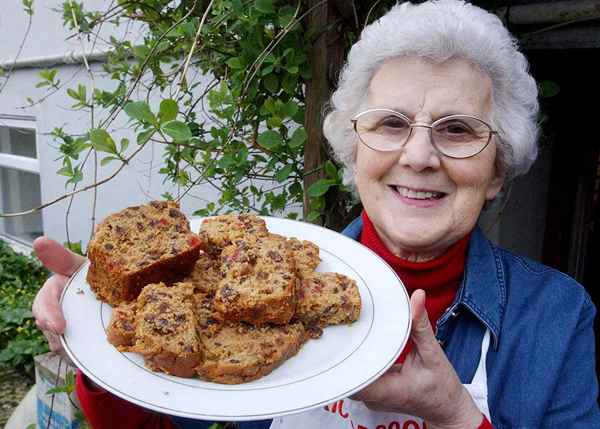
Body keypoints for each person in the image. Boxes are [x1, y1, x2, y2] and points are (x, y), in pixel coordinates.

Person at [32, 0, 600, 428]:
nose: (420, 156)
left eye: (458, 130)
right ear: (355, 154)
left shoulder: (556, 318)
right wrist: (104, 349)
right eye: (391, 124)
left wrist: (454, 415)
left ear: (497, 170)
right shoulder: (250, 286)